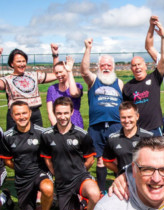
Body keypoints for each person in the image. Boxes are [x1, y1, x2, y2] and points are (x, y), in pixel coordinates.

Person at [39, 97, 100, 210]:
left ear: (72, 112)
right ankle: (82, 202)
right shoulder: (47, 135)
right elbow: (47, 159)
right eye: (59, 113)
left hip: (80, 178)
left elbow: (90, 159)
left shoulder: (82, 135)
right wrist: (56, 173)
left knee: (94, 193)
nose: (62, 117)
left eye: (66, 113)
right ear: (54, 113)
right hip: (63, 184)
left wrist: (80, 172)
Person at [0, 101, 55, 210]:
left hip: (40, 173)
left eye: (24, 113)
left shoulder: (42, 133)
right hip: (23, 178)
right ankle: (50, 203)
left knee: (47, 187)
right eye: (17, 114)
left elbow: (50, 156)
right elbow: (6, 160)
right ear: (12, 116)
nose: (21, 117)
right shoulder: (7, 137)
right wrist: (20, 168)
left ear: (30, 113)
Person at [80, 38, 124, 195]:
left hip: (116, 125)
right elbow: (84, 70)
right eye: (103, 65)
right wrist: (88, 48)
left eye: (109, 65)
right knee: (99, 159)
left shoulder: (119, 83)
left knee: (118, 157)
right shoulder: (94, 80)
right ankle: (101, 190)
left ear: (113, 67)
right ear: (98, 66)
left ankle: (123, 186)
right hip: (97, 126)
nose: (106, 68)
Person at [0, 45, 58, 130]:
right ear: (12, 64)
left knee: (38, 141)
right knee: (15, 142)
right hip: (17, 115)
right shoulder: (7, 79)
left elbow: (56, 74)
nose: (22, 64)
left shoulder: (34, 75)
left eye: (24, 61)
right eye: (19, 61)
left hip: (35, 114)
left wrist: (55, 55)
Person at [122, 16, 164, 136]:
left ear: (145, 66)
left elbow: (163, 59)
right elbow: (127, 110)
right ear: (131, 69)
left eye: (139, 64)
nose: (137, 67)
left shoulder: (154, 78)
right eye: (134, 65)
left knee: (157, 154)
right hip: (136, 131)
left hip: (154, 129)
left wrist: (163, 37)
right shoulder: (127, 87)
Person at [103, 102, 155, 175]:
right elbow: (106, 161)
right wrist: (121, 172)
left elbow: (156, 160)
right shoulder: (113, 138)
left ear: (137, 116)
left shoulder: (149, 137)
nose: (127, 121)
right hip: (124, 182)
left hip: (145, 180)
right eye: (123, 117)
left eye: (130, 117)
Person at [47, 53, 84, 128]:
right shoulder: (52, 89)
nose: (58, 75)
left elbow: (74, 93)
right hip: (57, 126)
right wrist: (57, 128)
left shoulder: (77, 86)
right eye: (56, 73)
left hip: (75, 125)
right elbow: (50, 112)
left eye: (61, 72)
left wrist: (70, 71)